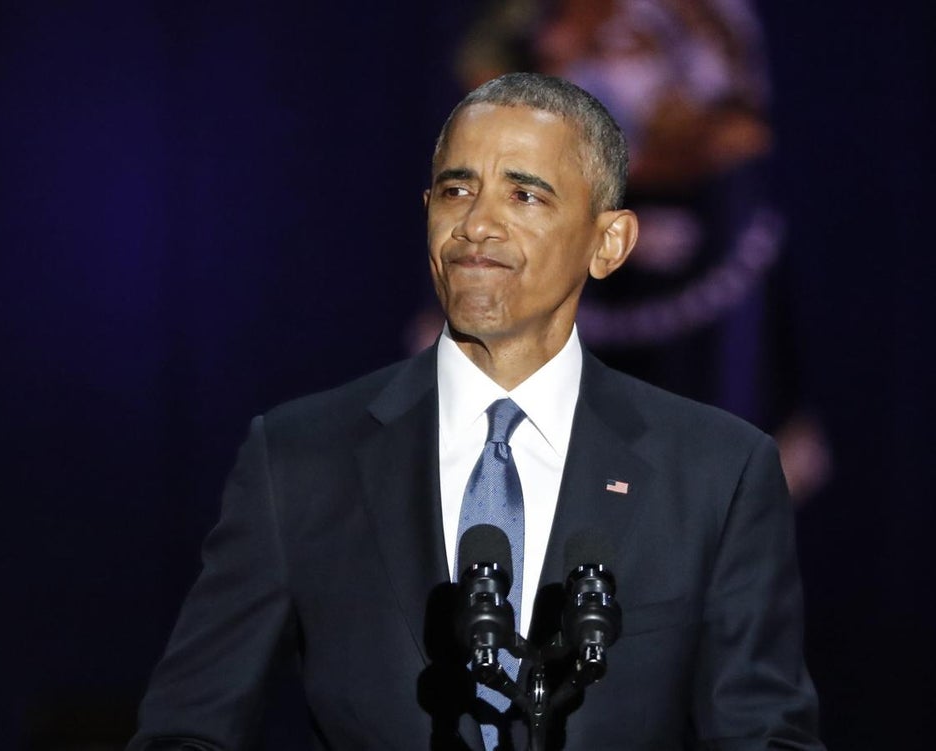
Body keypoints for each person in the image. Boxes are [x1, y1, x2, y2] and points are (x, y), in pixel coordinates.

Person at [129, 73, 822, 750]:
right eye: (457, 189)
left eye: (525, 194)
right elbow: (186, 729)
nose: (476, 224)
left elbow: (765, 733)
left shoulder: (716, 472)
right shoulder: (299, 458)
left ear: (608, 243)